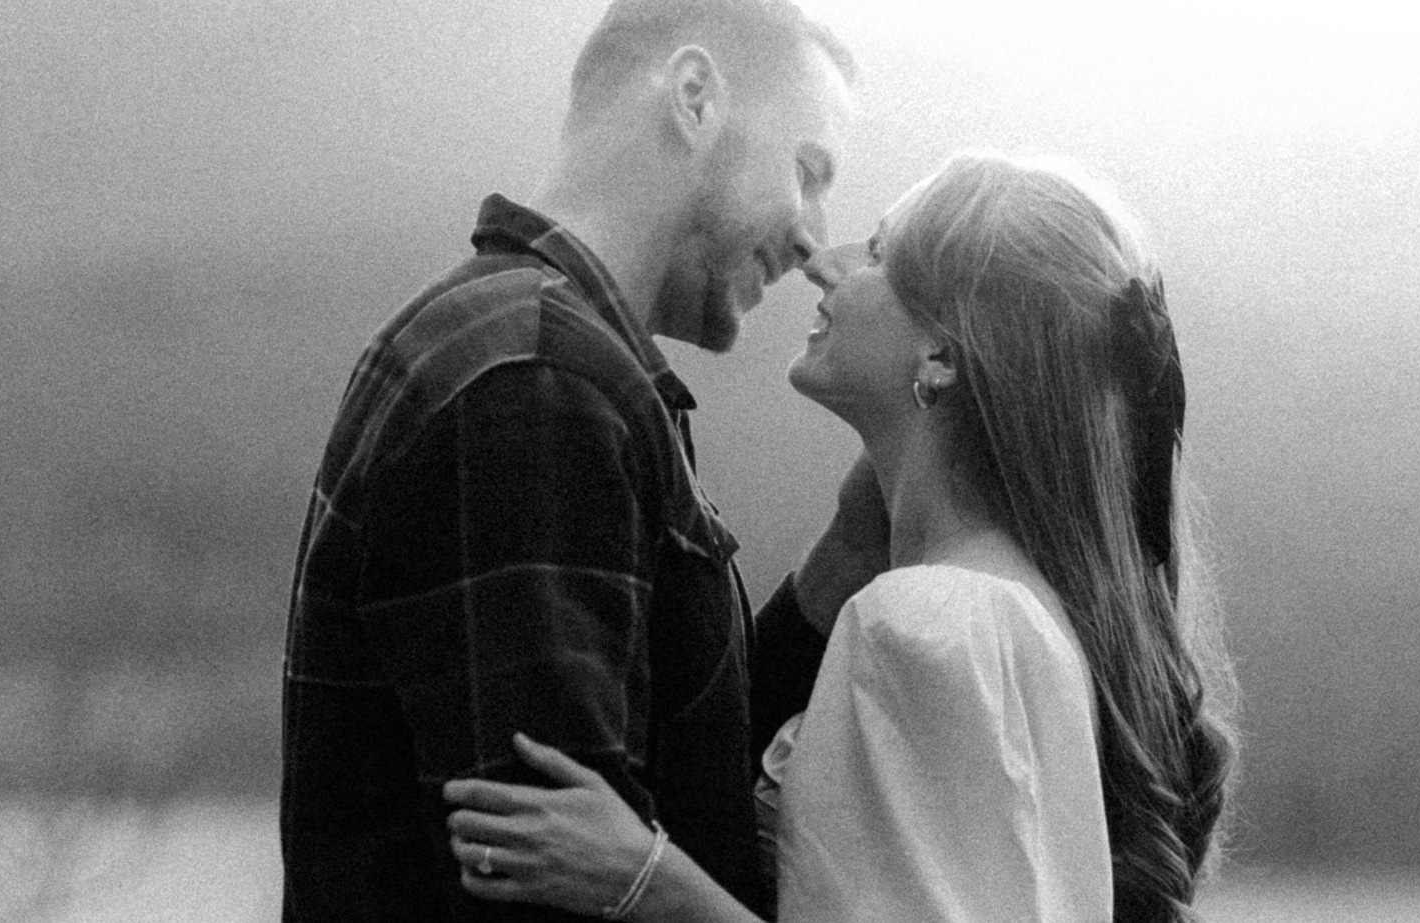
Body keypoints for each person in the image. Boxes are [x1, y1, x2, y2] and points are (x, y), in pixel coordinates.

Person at [439, 150, 1242, 922]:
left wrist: (645, 881)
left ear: (941, 354)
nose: (824, 264)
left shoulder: (933, 623)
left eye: (879, 255)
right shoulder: (1007, 607)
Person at [278, 1, 861, 919]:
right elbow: (557, 895)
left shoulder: (545, 354)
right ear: (695, 97)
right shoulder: (539, 384)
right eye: (807, 170)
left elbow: (679, 779)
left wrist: (857, 543)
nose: (812, 237)